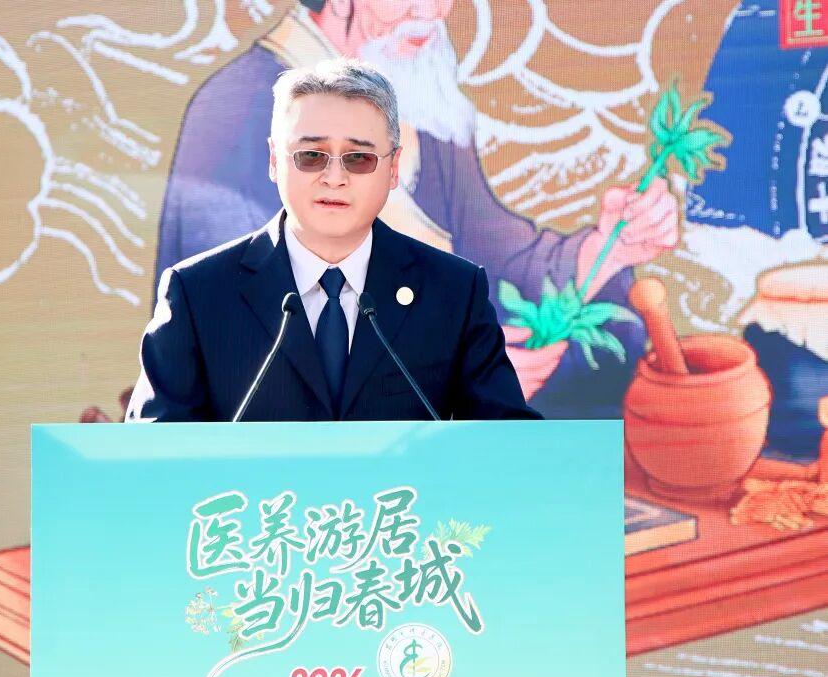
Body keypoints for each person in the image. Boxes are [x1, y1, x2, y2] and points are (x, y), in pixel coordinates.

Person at [156, 0, 679, 417]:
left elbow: (501, 261)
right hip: (298, 466)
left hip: (433, 440)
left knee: (612, 346)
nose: (433, 13)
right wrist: (452, 387)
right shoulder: (238, 110)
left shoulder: (415, 91)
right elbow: (244, 355)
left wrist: (610, 247)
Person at [125, 59, 541, 422]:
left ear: (393, 168)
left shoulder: (454, 293)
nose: (334, 177)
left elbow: (506, 445)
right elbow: (156, 450)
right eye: (312, 155)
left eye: (358, 157)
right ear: (274, 160)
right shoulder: (197, 293)